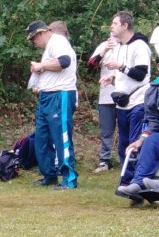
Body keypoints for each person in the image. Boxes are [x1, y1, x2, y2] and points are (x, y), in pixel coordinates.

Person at [116, 62, 159, 202]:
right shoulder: (153, 90)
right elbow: (153, 122)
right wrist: (140, 140)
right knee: (152, 141)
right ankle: (138, 183)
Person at [26, 19, 77, 188]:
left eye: (33, 39)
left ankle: (69, 179)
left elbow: (64, 62)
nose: (34, 43)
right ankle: (49, 175)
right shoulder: (49, 46)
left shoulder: (58, 41)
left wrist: (41, 65)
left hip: (60, 95)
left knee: (61, 137)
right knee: (42, 137)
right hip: (46, 97)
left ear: (40, 33)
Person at [102, 12, 150, 166]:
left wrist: (120, 67)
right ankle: (126, 178)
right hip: (122, 102)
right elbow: (125, 74)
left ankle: (136, 178)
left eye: (115, 23)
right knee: (123, 142)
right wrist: (112, 78)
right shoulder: (119, 48)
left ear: (125, 26)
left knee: (134, 142)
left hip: (138, 101)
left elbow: (141, 74)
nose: (111, 26)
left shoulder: (140, 46)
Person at [87, 31, 119, 173]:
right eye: (111, 33)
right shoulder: (103, 46)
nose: (113, 36)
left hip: (127, 94)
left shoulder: (129, 46)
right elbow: (91, 65)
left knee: (127, 129)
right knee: (106, 131)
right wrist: (105, 49)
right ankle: (104, 161)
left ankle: (128, 160)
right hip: (106, 95)